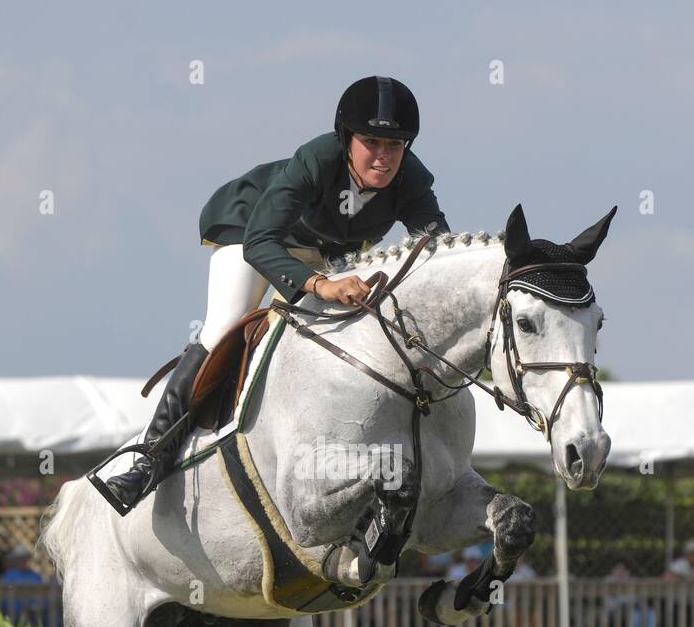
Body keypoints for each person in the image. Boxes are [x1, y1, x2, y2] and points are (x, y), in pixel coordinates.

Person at [99, 76, 450, 515]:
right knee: (224, 325)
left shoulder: (412, 179)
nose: (383, 156)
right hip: (254, 231)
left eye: (396, 144)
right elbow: (261, 241)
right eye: (371, 141)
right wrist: (320, 285)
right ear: (346, 139)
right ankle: (148, 460)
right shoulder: (316, 159)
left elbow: (435, 252)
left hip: (325, 251)